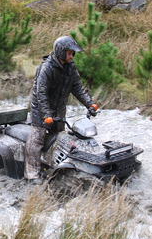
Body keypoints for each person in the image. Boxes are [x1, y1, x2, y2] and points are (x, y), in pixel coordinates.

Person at [25, 35, 98, 182]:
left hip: (58, 110)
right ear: (60, 52)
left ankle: (52, 167)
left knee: (60, 138)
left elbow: (77, 88)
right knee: (36, 139)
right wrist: (46, 115)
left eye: (73, 53)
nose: (72, 55)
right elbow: (41, 94)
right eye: (69, 53)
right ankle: (31, 174)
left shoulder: (70, 68)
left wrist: (89, 104)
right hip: (41, 109)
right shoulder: (47, 68)